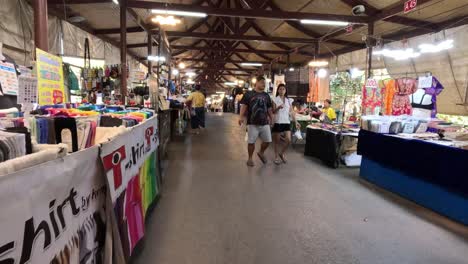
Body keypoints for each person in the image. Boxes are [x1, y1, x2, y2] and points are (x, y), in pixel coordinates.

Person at [238, 76, 274, 167]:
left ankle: (261, 152)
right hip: (252, 123)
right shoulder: (249, 94)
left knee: (268, 141)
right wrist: (241, 117)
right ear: (256, 83)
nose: (263, 84)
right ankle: (250, 158)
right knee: (251, 142)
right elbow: (244, 106)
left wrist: (272, 118)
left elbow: (269, 108)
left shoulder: (266, 95)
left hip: (264, 122)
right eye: (261, 82)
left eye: (264, 83)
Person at [271, 84, 299, 165]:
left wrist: (296, 122)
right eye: (280, 89)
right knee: (277, 141)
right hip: (278, 122)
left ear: (285, 91)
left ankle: (281, 153)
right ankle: (276, 157)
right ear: (278, 90)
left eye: (283, 89)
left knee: (288, 140)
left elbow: (292, 112)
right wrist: (278, 107)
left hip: (286, 122)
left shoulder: (288, 100)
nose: (282, 91)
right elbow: (273, 111)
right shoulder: (275, 99)